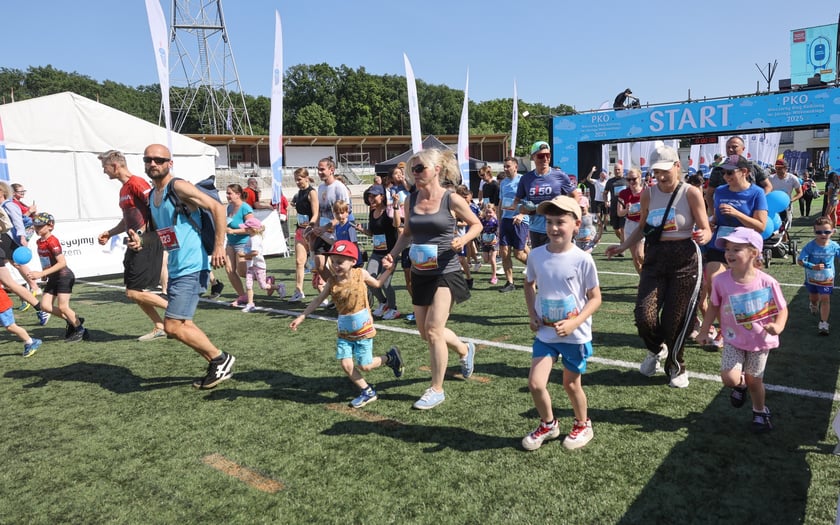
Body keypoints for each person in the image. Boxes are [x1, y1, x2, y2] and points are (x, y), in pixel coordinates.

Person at [605, 145, 711, 388]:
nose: (661, 176)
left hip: (684, 258)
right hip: (655, 257)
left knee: (675, 319)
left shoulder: (691, 192)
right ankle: (656, 349)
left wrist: (704, 235)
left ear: (677, 166)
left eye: (666, 171)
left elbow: (705, 227)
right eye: (656, 172)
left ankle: (676, 366)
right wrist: (622, 246)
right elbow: (642, 226)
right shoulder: (648, 194)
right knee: (644, 315)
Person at [384, 148, 481, 410]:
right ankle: (464, 350)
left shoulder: (451, 199)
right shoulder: (411, 199)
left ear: (436, 170)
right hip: (420, 272)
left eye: (420, 169)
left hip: (446, 271)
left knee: (435, 330)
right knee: (425, 333)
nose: (415, 174)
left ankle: (436, 389)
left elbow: (477, 224)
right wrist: (392, 255)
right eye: (412, 170)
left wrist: (462, 239)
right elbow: (407, 233)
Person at [143, 143, 235, 390]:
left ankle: (220, 358)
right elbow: (163, 233)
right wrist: (139, 242)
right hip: (176, 266)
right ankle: (217, 363)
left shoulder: (178, 186)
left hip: (193, 265)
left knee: (172, 326)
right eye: (149, 159)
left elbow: (217, 207)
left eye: (159, 160)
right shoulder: (152, 196)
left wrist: (218, 246)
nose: (153, 164)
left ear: (169, 163)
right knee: (182, 324)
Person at [521, 196, 602, 451]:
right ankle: (548, 424)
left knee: (570, 384)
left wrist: (574, 322)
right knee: (535, 383)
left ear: (576, 225)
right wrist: (532, 313)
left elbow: (595, 298)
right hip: (546, 333)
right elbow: (528, 283)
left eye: (560, 222)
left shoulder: (582, 259)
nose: (554, 228)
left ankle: (583, 423)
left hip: (574, 336)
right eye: (549, 222)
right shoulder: (536, 255)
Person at [290, 240, 405, 408]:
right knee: (345, 364)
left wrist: (389, 269)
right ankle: (367, 391)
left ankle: (390, 358)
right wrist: (302, 316)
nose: (336, 266)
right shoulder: (331, 282)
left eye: (340, 262)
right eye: (333, 261)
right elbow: (317, 300)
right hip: (344, 330)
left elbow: (378, 283)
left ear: (352, 261)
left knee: (364, 365)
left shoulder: (361, 274)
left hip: (363, 328)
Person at [696, 227, 787, 433]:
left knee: (755, 381)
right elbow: (714, 306)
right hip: (733, 339)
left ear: (753, 253)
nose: (729, 254)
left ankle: (759, 411)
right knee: (729, 378)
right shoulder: (720, 280)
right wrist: (704, 329)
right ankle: (740, 385)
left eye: (736, 249)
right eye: (728, 249)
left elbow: (782, 309)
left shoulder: (767, 282)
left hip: (760, 340)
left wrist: (778, 326)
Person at [97, 149, 168, 341]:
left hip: (145, 242)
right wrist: (110, 233)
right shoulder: (123, 189)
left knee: (133, 292)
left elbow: (155, 209)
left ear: (115, 166)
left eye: (104, 167)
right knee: (134, 292)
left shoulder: (137, 183)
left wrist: (141, 236)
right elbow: (128, 220)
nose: (104, 172)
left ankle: (176, 311)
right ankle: (160, 326)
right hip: (134, 242)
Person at [704, 153, 768, 347]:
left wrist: (737, 213)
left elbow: (761, 225)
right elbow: (716, 216)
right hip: (720, 243)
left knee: (742, 292)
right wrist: (711, 222)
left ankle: (745, 329)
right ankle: (723, 330)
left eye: (730, 172)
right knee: (714, 284)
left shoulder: (757, 193)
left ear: (745, 172)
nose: (726, 177)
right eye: (723, 173)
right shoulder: (721, 191)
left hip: (745, 247)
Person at [27, 212, 88, 342]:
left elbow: (62, 263)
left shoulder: (52, 241)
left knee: (63, 307)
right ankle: (73, 319)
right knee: (45, 306)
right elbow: (45, 259)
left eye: (40, 226)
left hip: (64, 276)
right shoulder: (39, 242)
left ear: (50, 226)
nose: (37, 229)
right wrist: (45, 273)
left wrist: (41, 273)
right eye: (36, 226)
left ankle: (80, 330)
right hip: (53, 277)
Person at [513, 141, 579, 249]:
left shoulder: (559, 175)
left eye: (547, 155)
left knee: (557, 262)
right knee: (541, 263)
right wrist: (522, 208)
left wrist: (570, 214)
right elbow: (516, 201)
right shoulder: (526, 178)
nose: (545, 159)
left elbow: (575, 196)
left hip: (557, 227)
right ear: (533, 157)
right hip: (536, 229)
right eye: (540, 156)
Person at [354, 184, 401, 320]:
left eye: (374, 195)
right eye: (369, 196)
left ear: (382, 196)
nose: (371, 198)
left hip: (390, 253)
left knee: (385, 282)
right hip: (376, 252)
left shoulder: (389, 210)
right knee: (369, 279)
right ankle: (383, 303)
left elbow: (397, 225)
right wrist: (362, 230)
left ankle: (393, 309)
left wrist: (396, 205)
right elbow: (373, 233)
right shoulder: (371, 211)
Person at [797, 217, 840, 335]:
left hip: (827, 279)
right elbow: (800, 261)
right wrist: (812, 266)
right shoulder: (810, 246)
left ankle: (824, 323)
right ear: (814, 232)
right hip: (812, 278)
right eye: (819, 232)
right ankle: (813, 304)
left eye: (826, 232)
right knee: (814, 297)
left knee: (825, 298)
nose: (823, 234)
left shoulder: (835, 246)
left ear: (833, 231)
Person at [705, 136, 772, 213]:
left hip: (750, 213)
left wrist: (759, 202)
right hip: (726, 214)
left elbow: (768, 186)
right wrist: (714, 213)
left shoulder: (752, 166)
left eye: (734, 147)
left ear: (743, 149)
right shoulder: (718, 169)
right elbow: (709, 195)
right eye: (728, 147)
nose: (730, 150)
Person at [0, 183, 41, 302]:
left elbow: (18, 222)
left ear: (2, 192)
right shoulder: (4, 205)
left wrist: (22, 237)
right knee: (14, 264)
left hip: (11, 239)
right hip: (7, 238)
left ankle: (34, 287)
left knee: (17, 263)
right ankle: (28, 288)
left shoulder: (9, 205)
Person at [498, 156, 529, 293]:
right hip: (506, 220)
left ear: (515, 167)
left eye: (508, 166)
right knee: (504, 253)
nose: (505, 169)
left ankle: (539, 270)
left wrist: (522, 215)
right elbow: (500, 202)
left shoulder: (523, 181)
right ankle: (510, 282)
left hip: (520, 220)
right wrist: (499, 222)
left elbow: (529, 201)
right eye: (504, 166)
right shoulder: (503, 183)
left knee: (519, 254)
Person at [289, 168, 318, 302]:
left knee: (316, 264)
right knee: (299, 261)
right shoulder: (299, 193)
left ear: (306, 178)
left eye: (299, 179)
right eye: (296, 180)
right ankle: (298, 290)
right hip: (300, 231)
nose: (297, 182)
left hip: (311, 232)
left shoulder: (312, 192)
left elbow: (316, 213)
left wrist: (310, 227)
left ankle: (322, 290)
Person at [241, 217, 282, 313]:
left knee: (263, 286)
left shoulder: (255, 239)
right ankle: (250, 304)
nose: (245, 229)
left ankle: (278, 287)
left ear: (253, 229)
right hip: (251, 265)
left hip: (259, 266)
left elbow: (255, 252)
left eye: (247, 227)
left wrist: (244, 255)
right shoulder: (250, 238)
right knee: (248, 284)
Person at [224, 184, 255, 307]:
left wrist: (234, 231)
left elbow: (252, 228)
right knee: (229, 269)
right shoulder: (229, 208)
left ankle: (267, 280)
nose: (227, 196)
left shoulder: (245, 208)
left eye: (229, 193)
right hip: (230, 242)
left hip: (243, 243)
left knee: (242, 272)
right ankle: (242, 295)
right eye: (227, 193)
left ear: (238, 194)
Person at [617, 168, 645, 274]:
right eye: (628, 179)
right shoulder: (623, 193)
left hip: (643, 225)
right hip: (630, 225)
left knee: (640, 255)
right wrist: (626, 210)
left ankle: (651, 275)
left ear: (639, 178)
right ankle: (644, 280)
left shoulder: (646, 191)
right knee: (636, 259)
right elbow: (619, 213)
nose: (631, 182)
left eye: (634, 179)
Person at [769, 158, 802, 225]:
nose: (777, 170)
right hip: (774, 206)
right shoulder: (770, 178)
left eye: (780, 168)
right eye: (776, 168)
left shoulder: (793, 178)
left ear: (786, 168)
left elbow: (800, 193)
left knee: (785, 226)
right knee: (775, 225)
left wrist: (791, 200)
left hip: (786, 205)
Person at [479, 204, 499, 284]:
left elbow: (498, 231)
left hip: (493, 242)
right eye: (486, 212)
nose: (488, 214)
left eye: (490, 212)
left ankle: (494, 276)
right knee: (486, 260)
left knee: (492, 259)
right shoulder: (483, 221)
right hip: (484, 242)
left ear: (494, 212)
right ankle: (493, 268)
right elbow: (479, 229)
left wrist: (496, 240)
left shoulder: (495, 221)